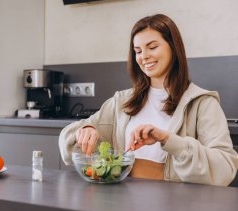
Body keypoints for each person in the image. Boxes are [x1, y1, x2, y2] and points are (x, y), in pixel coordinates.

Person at [59, 14, 238, 186]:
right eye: (138, 51)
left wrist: (168, 140)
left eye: (152, 47)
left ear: (174, 47)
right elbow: (68, 145)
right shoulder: (121, 102)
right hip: (120, 204)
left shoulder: (203, 104)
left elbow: (225, 169)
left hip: (177, 207)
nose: (144, 56)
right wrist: (84, 129)